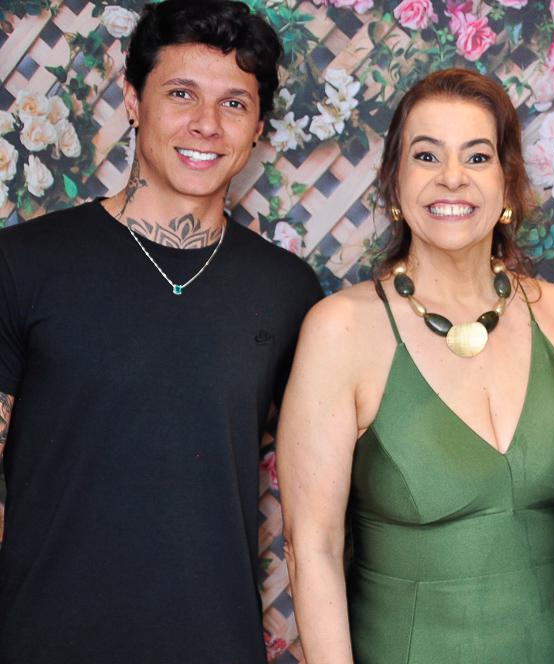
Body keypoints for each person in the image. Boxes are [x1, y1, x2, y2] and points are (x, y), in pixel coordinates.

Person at [0, 2, 322, 661]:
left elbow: (323, 497)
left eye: (234, 103)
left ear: (258, 128)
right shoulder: (23, 263)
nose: (206, 123)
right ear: (132, 100)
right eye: (181, 94)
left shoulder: (288, 290)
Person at [277, 68, 554, 663]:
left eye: (477, 157)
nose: (452, 176)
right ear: (394, 182)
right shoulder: (339, 330)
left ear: (508, 182)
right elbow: (312, 547)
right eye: (427, 155)